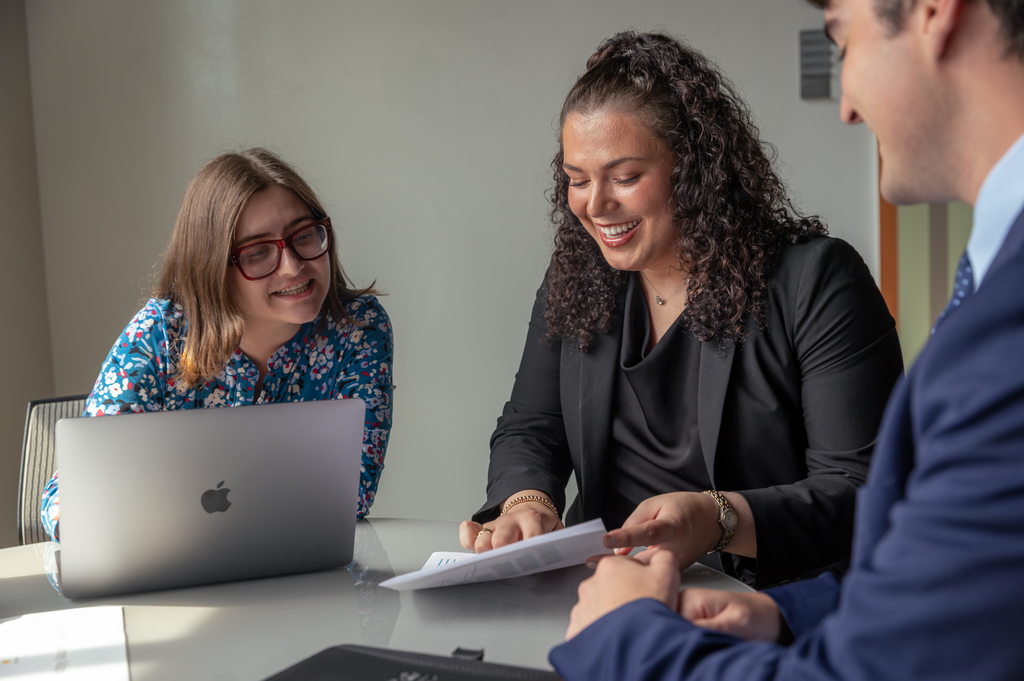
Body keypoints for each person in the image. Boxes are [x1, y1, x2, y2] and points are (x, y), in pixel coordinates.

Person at [549, 0, 1024, 679]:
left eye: (841, 38)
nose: (846, 107)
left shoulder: (998, 317)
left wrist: (628, 632)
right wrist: (792, 615)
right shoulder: (998, 280)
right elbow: (966, 582)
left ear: (933, 12)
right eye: (577, 179)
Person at [460, 32, 903, 589]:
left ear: (693, 172)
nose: (595, 205)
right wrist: (526, 501)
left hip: (767, 603)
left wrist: (719, 518)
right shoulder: (576, 279)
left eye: (625, 178)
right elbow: (531, 427)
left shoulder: (816, 281)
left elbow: (862, 487)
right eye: (576, 180)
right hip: (606, 588)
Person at [41, 148, 394, 541]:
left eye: (304, 235)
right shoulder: (159, 334)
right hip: (169, 574)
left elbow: (354, 493)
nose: (293, 266)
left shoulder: (358, 327)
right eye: (258, 252)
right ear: (212, 267)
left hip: (301, 572)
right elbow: (67, 500)